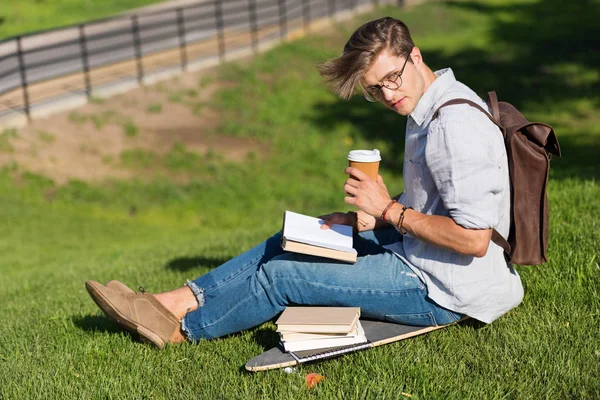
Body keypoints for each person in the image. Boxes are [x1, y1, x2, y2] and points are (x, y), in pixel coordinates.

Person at [86, 17, 523, 349]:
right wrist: (366, 222)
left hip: (444, 289)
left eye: (392, 79)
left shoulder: (453, 128)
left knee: (282, 277)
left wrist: (389, 210)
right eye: (376, 89)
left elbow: (473, 239)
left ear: (416, 56)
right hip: (418, 254)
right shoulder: (425, 107)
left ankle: (180, 330)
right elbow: (437, 204)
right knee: (294, 239)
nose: (388, 95)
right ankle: (167, 301)